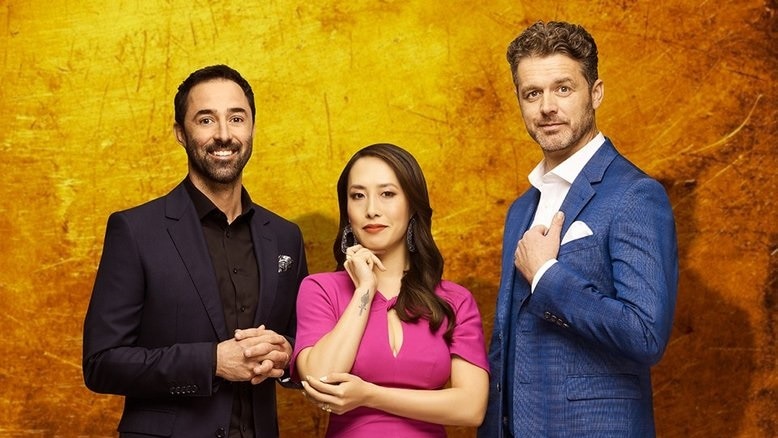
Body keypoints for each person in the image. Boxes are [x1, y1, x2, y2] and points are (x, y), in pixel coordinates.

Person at [83, 64, 308, 438]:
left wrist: (286, 355)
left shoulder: (286, 236)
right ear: (181, 134)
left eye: (236, 118)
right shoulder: (135, 230)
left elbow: (303, 344)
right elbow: (101, 363)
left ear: (251, 128)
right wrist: (212, 362)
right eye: (205, 120)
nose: (224, 135)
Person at [478, 21, 679, 437]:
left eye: (563, 88)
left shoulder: (636, 195)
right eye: (532, 93)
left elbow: (645, 334)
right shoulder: (520, 210)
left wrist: (547, 276)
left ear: (596, 92)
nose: (547, 106)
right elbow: (505, 346)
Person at [291, 143, 490, 437]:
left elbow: (471, 407)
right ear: (346, 210)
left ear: (412, 205)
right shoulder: (320, 289)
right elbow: (321, 379)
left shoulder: (454, 300)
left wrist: (370, 395)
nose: (371, 210)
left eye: (387, 194)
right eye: (358, 196)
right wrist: (364, 291)